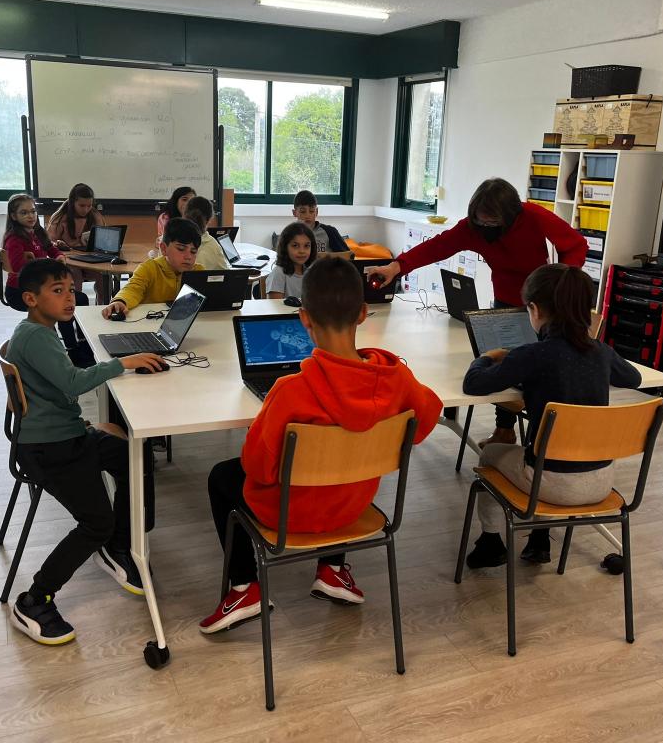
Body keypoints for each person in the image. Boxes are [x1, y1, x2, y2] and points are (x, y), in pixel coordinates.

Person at [199, 257, 443, 634]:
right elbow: (426, 421)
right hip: (353, 506)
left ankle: (244, 588)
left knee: (222, 476)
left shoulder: (289, 392)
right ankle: (333, 569)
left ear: (304, 318)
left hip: (288, 516)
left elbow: (258, 468)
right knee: (342, 467)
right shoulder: (399, 381)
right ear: (363, 314)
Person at [5, 258, 169, 646]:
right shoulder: (36, 337)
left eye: (70, 289)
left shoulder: (38, 331)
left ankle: (119, 545)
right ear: (30, 299)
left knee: (132, 457)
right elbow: (73, 383)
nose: (69, 298)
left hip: (67, 436)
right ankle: (34, 600)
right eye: (57, 291)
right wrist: (122, 363)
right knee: (95, 523)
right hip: (49, 449)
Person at [369, 178, 589, 448]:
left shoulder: (534, 216)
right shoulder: (472, 228)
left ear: (509, 215)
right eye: (480, 221)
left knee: (545, 368)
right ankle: (504, 430)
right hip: (505, 299)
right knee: (504, 364)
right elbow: (437, 247)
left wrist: (562, 283)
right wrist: (397, 267)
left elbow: (576, 245)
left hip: (546, 302)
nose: (485, 227)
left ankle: (549, 437)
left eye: (492, 222)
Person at [460, 263, 641, 569]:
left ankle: (491, 543)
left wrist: (486, 357)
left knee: (490, 453)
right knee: (549, 450)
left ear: (534, 309)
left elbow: (474, 385)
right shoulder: (601, 351)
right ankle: (539, 539)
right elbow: (633, 378)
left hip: (550, 485)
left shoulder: (532, 354)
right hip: (602, 481)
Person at [2, 194, 94, 367]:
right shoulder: (14, 238)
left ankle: (83, 343)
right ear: (13, 216)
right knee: (63, 303)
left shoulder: (37, 233)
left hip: (39, 287)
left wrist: (59, 256)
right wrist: (41, 263)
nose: (30, 216)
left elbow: (52, 249)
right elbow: (19, 268)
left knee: (79, 299)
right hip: (21, 291)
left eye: (33, 211)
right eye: (24, 213)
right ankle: (73, 349)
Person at [101, 217, 204, 318]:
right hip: (148, 322)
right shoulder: (149, 269)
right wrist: (120, 301)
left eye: (193, 251)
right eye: (181, 249)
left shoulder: (198, 272)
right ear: (164, 249)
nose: (188, 256)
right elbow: (132, 289)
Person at [46, 182, 109, 302]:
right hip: (68, 259)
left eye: (89, 205)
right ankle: (75, 307)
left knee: (103, 276)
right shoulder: (60, 217)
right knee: (75, 275)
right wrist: (58, 244)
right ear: (72, 202)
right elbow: (49, 242)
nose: (86, 209)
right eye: (81, 205)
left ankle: (103, 306)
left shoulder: (95, 215)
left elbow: (104, 236)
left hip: (89, 258)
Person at [265, 222, 316, 300]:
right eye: (295, 246)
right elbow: (274, 306)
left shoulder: (312, 272)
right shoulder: (278, 273)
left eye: (306, 246)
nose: (302, 251)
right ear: (285, 247)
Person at [183, 195, 230, 270]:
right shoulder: (213, 246)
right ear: (209, 220)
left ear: (184, 215)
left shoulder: (172, 240)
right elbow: (226, 274)